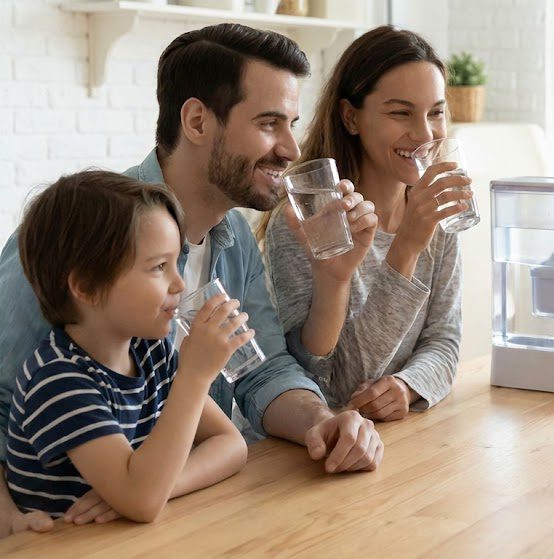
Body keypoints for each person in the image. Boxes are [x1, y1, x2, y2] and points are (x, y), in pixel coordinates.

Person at [0, 24, 382, 538]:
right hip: (64, 533)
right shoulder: (85, 242)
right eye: (270, 123)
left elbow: (260, 374)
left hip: (182, 518)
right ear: (198, 120)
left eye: (291, 123)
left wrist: (320, 421)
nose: (291, 148)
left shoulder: (236, 235)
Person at [6, 170, 248, 522]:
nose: (178, 282)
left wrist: (160, 485)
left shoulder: (152, 352)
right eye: (159, 267)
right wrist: (195, 376)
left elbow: (232, 446)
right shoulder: (58, 380)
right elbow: (142, 503)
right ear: (87, 287)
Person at [259, 26, 468, 421]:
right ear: (350, 117)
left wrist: (407, 387)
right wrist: (405, 249)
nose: (425, 134)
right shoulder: (306, 221)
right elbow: (334, 388)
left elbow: (444, 339)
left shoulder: (436, 212)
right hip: (321, 447)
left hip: (402, 442)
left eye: (435, 113)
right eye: (401, 112)